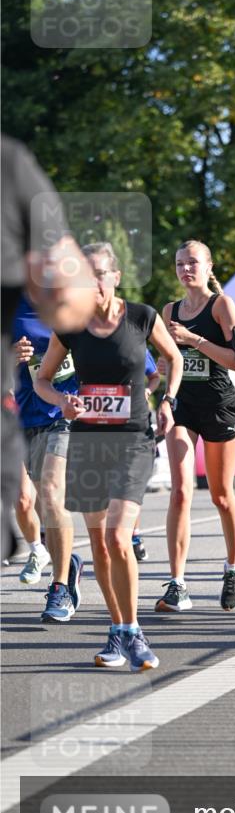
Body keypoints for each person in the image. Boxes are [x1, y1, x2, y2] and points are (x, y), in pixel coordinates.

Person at [35, 242, 182, 670]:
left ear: (116, 276)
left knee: (119, 537)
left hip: (134, 439)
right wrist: (63, 401)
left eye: (100, 273)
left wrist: (168, 401)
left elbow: (171, 359)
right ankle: (117, 631)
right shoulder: (71, 324)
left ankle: (133, 631)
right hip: (87, 441)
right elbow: (44, 379)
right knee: (99, 542)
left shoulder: (141, 316)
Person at [1, 135, 95, 560]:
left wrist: (58, 290)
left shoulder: (10, 166)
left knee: (47, 494)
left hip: (44, 408)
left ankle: (60, 576)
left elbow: (77, 299)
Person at [156, 239, 235, 614]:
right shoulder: (169, 310)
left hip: (219, 406)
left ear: (209, 267)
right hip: (183, 405)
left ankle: (234, 567)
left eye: (193, 262)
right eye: (180, 263)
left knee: (221, 495)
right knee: (179, 491)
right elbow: (166, 361)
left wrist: (194, 339)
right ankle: (177, 583)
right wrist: (163, 370)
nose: (185, 269)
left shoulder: (222, 305)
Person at [12, 295, 83, 618]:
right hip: (26, 417)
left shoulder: (71, 302)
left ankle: (59, 588)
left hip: (65, 412)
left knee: (53, 497)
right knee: (42, 503)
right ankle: (68, 561)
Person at [131, 352, 162, 562]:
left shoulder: (135, 339)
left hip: (134, 422)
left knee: (130, 487)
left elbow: (155, 376)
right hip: (97, 425)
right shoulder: (83, 335)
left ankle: (134, 535)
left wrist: (147, 392)